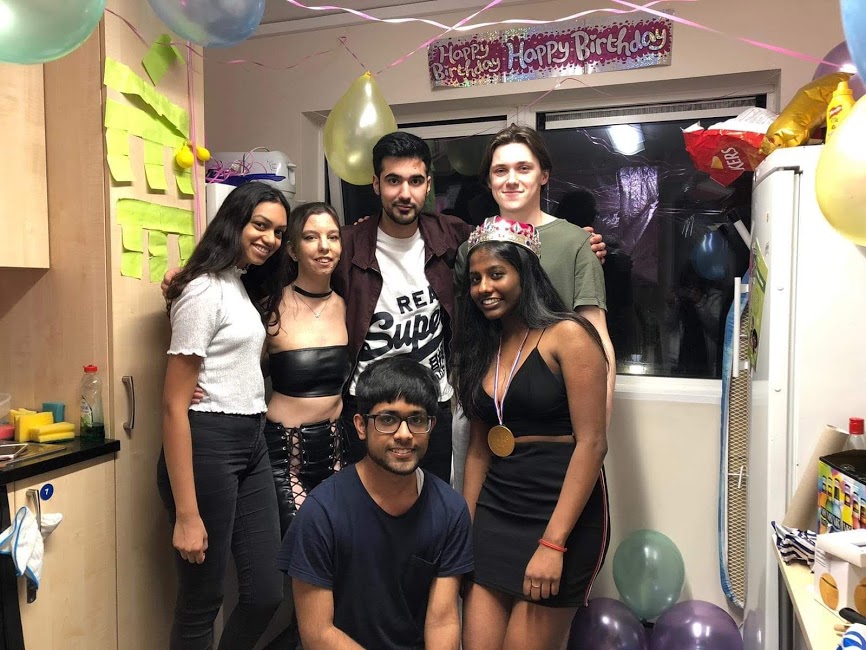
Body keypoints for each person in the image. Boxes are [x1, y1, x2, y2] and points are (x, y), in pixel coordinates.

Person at [336, 130, 608, 486]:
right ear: (375, 184)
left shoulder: (451, 237)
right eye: (393, 181)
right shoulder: (347, 247)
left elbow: (506, 247)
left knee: (431, 516)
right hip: (369, 409)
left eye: (416, 180)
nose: (405, 193)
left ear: (429, 184)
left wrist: (581, 241)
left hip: (435, 409)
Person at [454, 216, 609, 650]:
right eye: (476, 278)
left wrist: (553, 544)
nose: (484, 287)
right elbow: (480, 451)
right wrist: (464, 531)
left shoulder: (569, 336)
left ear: (526, 273)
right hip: (497, 511)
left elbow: (593, 443)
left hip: (558, 515)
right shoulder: (484, 347)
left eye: (497, 274)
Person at [158, 181, 289, 649]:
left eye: (277, 231)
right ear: (233, 221)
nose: (269, 239)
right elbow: (174, 404)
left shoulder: (236, 282)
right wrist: (187, 515)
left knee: (265, 594)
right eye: (260, 225)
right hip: (207, 442)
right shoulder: (204, 290)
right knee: (202, 600)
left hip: (251, 439)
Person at [278, 356, 473, 649]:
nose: (404, 434)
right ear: (361, 426)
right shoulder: (322, 511)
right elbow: (317, 633)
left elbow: (442, 619)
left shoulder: (450, 510)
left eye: (417, 420)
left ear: (431, 426)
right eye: (387, 419)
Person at [454, 125, 615, 421]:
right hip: (486, 407)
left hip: (555, 411)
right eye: (500, 171)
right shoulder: (470, 251)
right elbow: (466, 336)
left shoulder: (577, 243)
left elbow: (598, 336)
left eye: (523, 168)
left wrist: (598, 422)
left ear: (544, 175)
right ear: (488, 180)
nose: (511, 180)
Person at [261, 201, 351, 647]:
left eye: (332, 236)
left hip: (336, 456)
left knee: (337, 563)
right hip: (283, 458)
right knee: (303, 569)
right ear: (293, 248)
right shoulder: (269, 306)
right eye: (312, 237)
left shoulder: (351, 304)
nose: (324, 246)